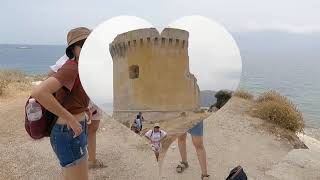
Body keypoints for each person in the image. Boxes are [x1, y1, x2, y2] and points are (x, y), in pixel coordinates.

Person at [31, 27, 91, 180]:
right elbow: (39, 92)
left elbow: (71, 93)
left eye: (90, 43)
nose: (87, 47)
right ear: (73, 49)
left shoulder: (80, 67)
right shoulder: (71, 68)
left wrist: (83, 107)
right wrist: (71, 119)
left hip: (73, 129)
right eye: (82, 44)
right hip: (69, 130)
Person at [49, 55, 105, 169]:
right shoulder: (72, 60)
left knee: (93, 128)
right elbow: (51, 75)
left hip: (93, 100)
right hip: (79, 106)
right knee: (76, 137)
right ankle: (82, 160)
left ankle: (91, 160)